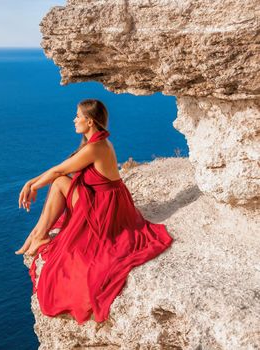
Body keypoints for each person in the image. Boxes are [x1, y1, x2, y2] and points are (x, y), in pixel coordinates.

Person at [15, 98, 174, 324]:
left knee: (59, 182)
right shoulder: (93, 142)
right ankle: (37, 235)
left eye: (78, 116)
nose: (74, 120)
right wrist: (30, 183)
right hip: (104, 199)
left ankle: (38, 235)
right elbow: (61, 166)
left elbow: (59, 171)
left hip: (106, 207)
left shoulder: (96, 147)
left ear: (89, 121)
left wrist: (31, 186)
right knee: (59, 180)